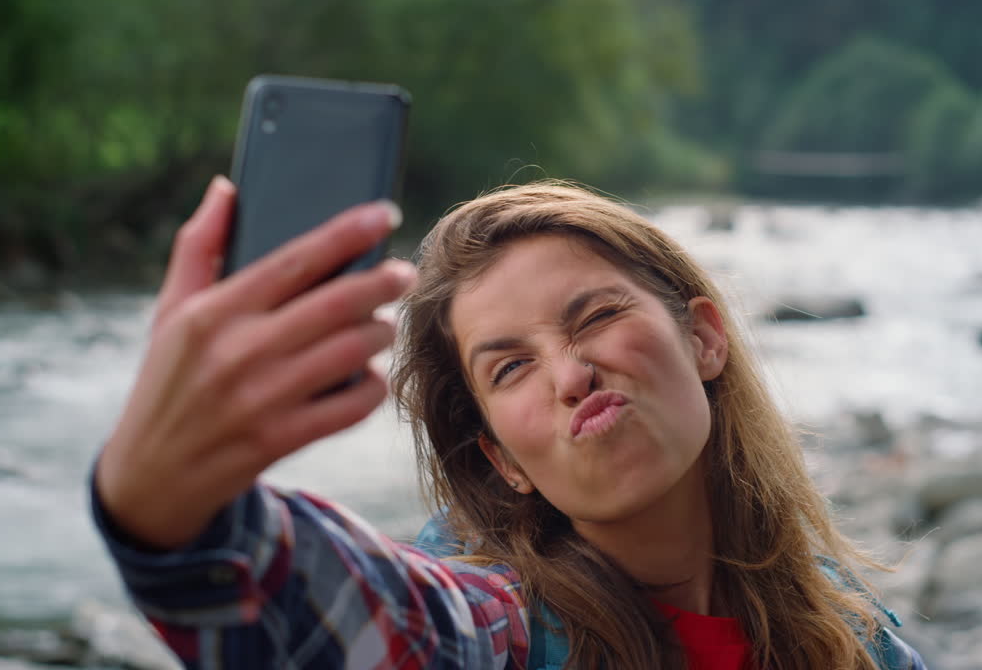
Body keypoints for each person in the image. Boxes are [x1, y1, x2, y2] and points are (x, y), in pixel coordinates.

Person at [92, 176, 926, 669]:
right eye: (511, 367)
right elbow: (365, 614)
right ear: (501, 460)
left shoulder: (849, 635)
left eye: (595, 315)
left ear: (704, 338)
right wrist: (165, 504)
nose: (571, 374)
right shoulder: (504, 631)